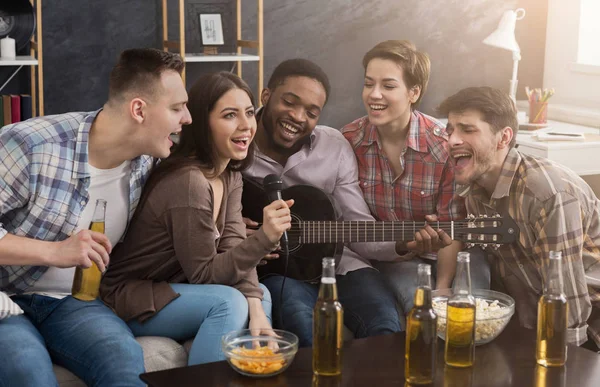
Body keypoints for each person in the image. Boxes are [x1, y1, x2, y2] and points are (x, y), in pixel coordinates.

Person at [0, 48, 191, 386]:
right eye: (177, 108)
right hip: (5, 296)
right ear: (138, 110)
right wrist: (53, 252)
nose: (186, 118)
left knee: (123, 358)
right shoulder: (31, 146)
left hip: (74, 303)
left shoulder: (147, 162)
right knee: (27, 369)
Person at [100, 71, 293, 365]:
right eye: (230, 115)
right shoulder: (189, 182)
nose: (246, 126)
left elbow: (232, 243)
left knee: (259, 295)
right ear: (203, 124)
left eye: (250, 113)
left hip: (180, 287)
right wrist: (265, 238)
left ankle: (255, 366)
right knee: (228, 304)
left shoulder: (229, 174)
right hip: (131, 296)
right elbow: (204, 273)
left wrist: (256, 307)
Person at [242, 58, 403, 348]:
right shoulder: (236, 141)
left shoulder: (334, 145)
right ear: (266, 97)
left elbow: (357, 224)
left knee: (386, 323)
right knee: (303, 327)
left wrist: (405, 243)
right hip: (277, 272)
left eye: (311, 112)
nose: (298, 117)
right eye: (289, 102)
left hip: (340, 264)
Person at [438, 86, 600, 351]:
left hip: (588, 328)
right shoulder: (475, 193)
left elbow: (567, 299)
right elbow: (518, 277)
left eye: (467, 130)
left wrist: (565, 366)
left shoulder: (546, 194)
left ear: (504, 138)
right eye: (450, 130)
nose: (452, 140)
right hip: (539, 326)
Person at [341, 40, 489, 315]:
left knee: (468, 310)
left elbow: (451, 225)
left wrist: (442, 288)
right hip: (396, 257)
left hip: (453, 251)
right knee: (418, 310)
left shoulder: (443, 145)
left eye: (388, 86)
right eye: (368, 83)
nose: (374, 94)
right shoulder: (349, 141)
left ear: (414, 92)